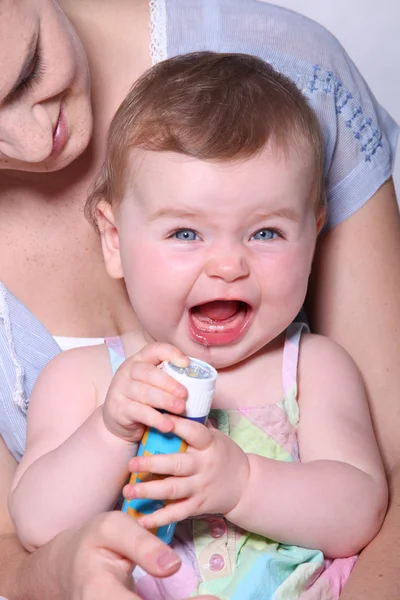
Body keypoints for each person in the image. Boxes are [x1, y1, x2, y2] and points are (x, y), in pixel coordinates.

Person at [0, 1, 399, 599]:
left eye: (266, 233)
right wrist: (111, 431)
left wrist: (244, 485)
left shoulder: (310, 369)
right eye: (185, 234)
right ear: (114, 241)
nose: (228, 265)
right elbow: (35, 524)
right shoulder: (85, 382)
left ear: (315, 232)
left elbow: (361, 509)